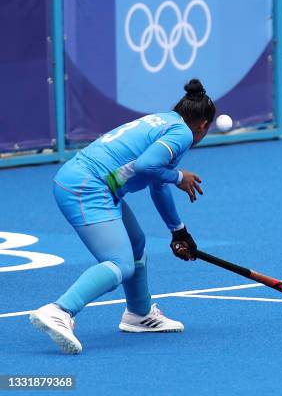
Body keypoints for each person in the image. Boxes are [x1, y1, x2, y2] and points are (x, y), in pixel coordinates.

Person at [30, 78, 214, 353]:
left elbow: (156, 182)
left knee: (136, 244)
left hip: (93, 184)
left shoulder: (165, 121)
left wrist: (178, 230)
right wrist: (179, 177)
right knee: (120, 262)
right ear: (203, 126)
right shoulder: (183, 134)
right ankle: (59, 310)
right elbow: (146, 165)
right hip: (86, 187)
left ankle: (139, 314)